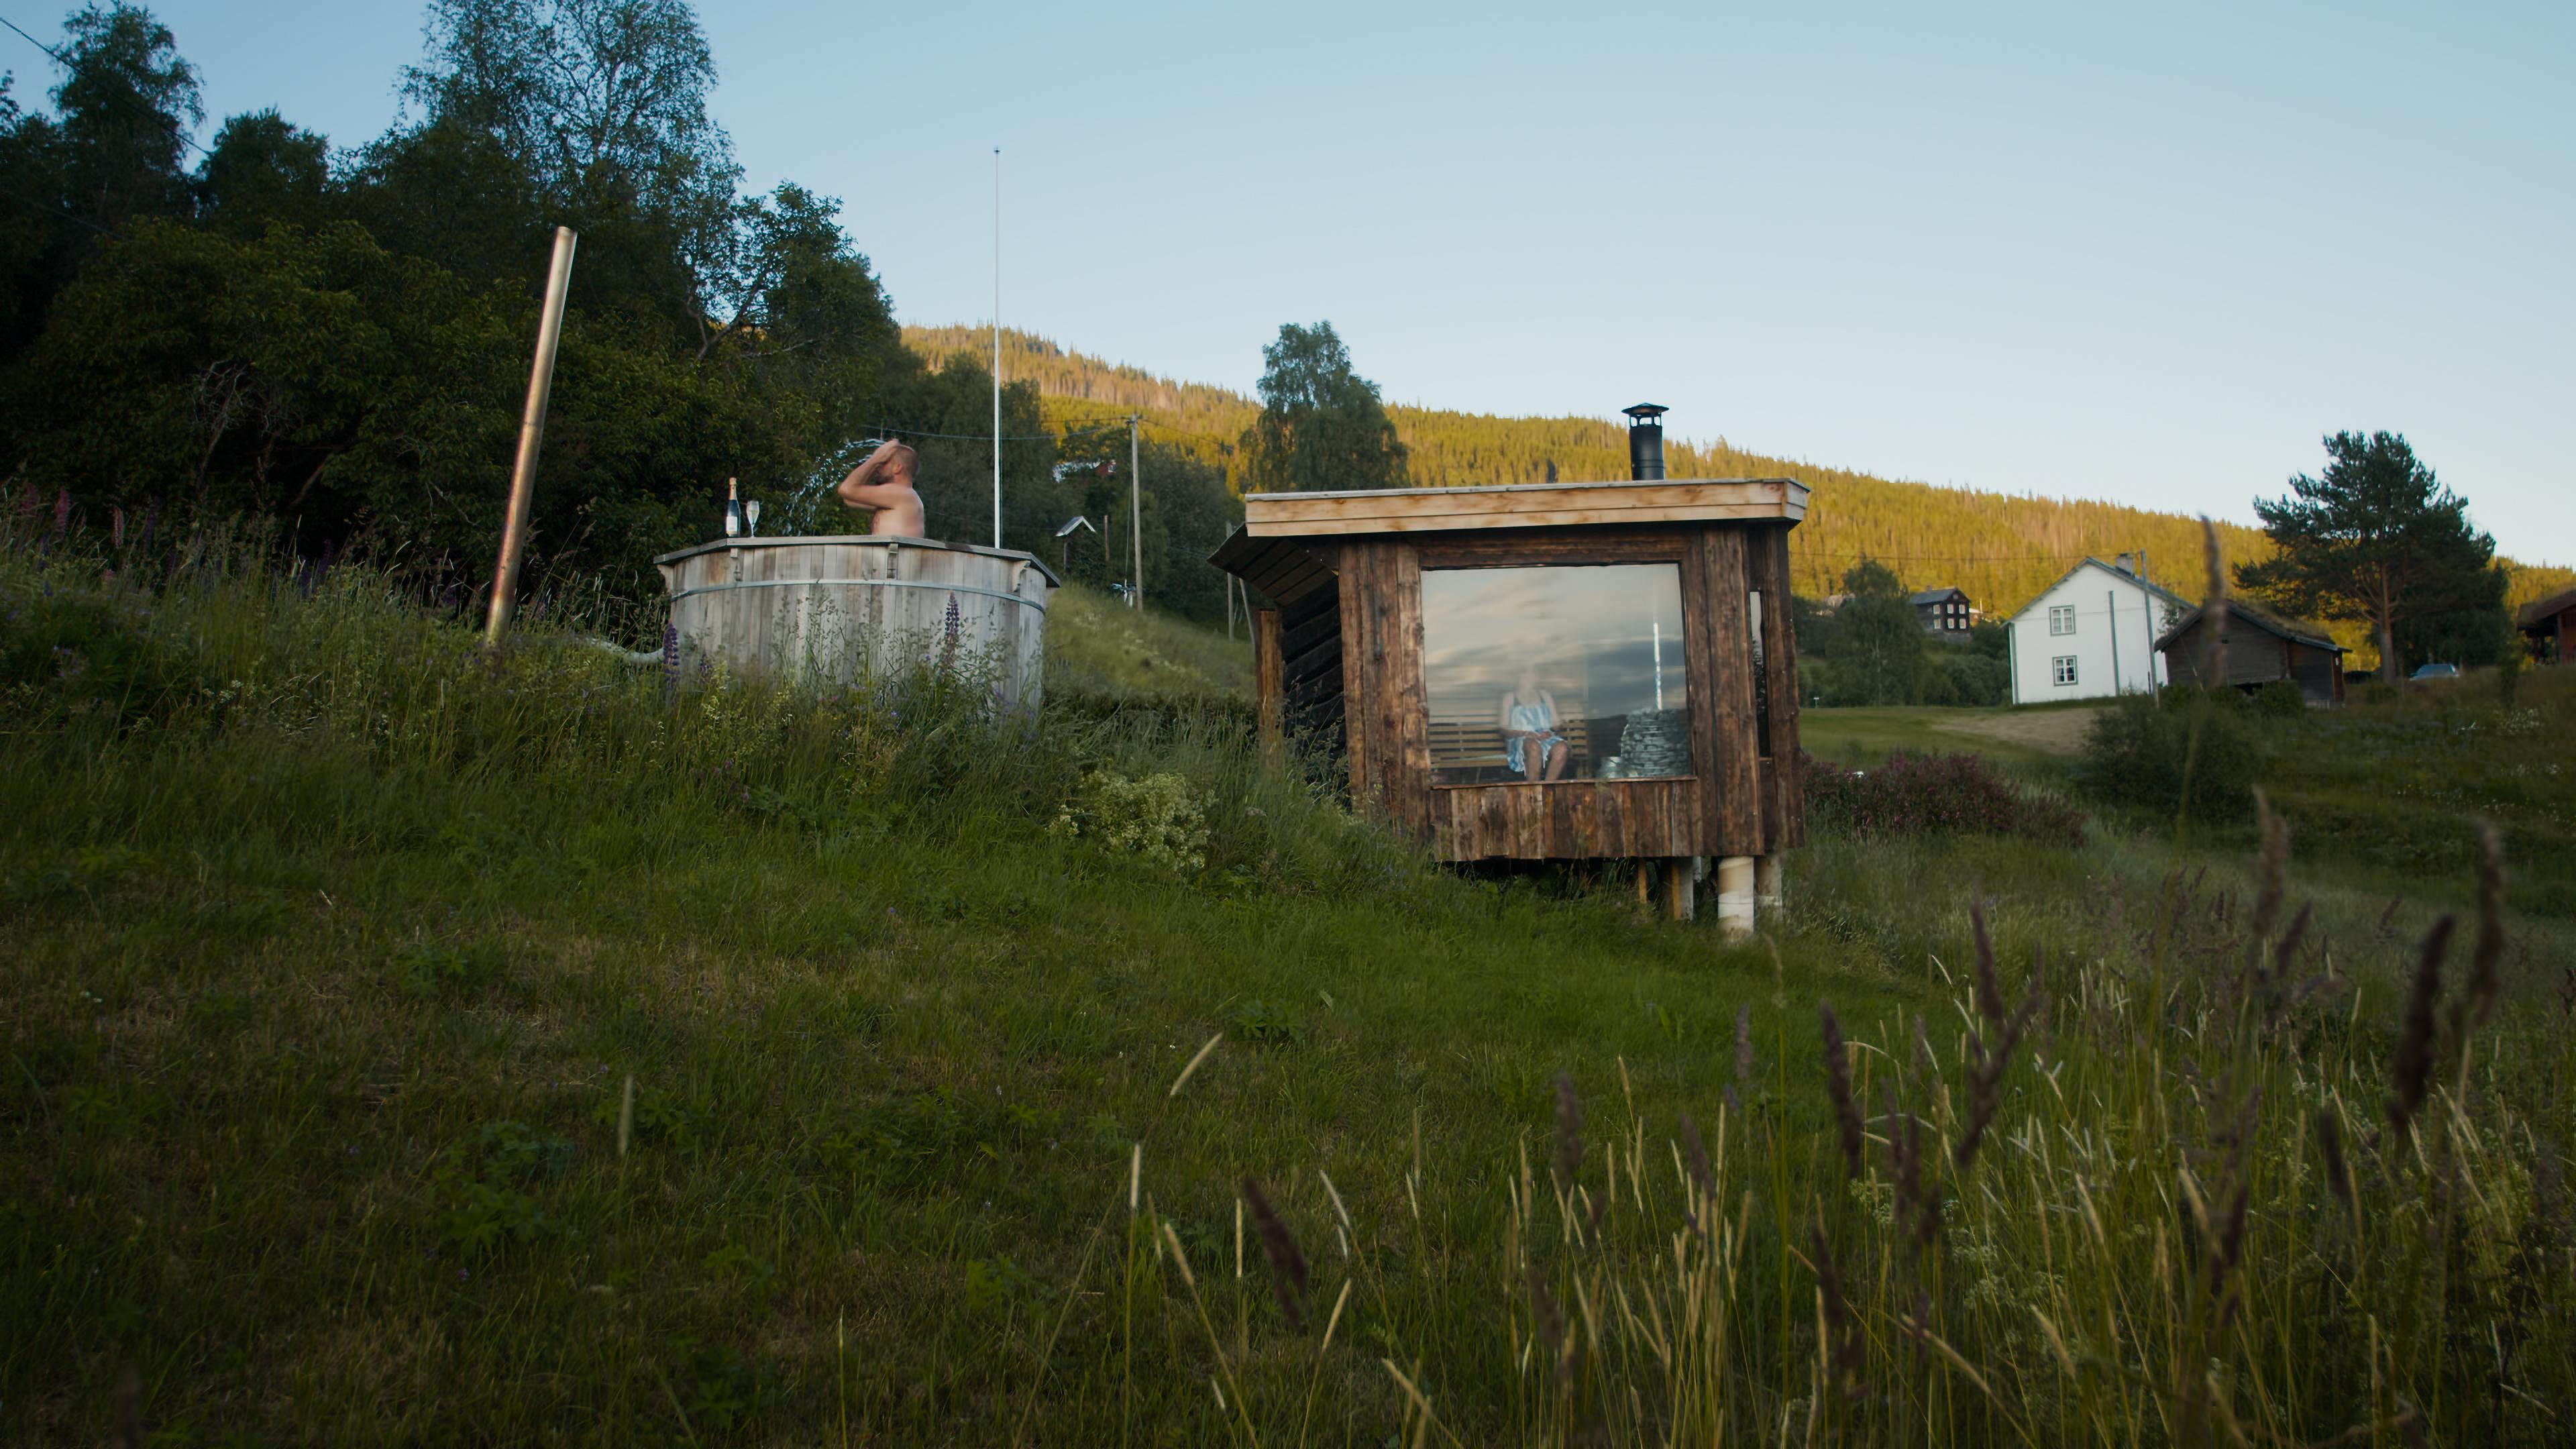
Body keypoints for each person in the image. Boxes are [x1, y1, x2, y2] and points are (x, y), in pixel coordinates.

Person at [835, 439, 926, 536]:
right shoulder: (902, 497)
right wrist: (874, 466)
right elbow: (849, 499)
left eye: (884, 462)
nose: (879, 467)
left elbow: (847, 490)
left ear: (898, 468)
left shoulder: (901, 493)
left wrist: (876, 459)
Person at [1499, 665, 1570, 780]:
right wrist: (1525, 734)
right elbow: (1503, 729)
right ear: (1519, 676)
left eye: (1534, 673)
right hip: (1520, 739)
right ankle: (1533, 788)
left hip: (1544, 737)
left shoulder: (1544, 695)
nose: (1531, 676)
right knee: (1533, 747)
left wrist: (1550, 732)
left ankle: (1547, 786)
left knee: (1562, 749)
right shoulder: (1510, 698)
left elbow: (1557, 722)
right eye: (1528, 673)